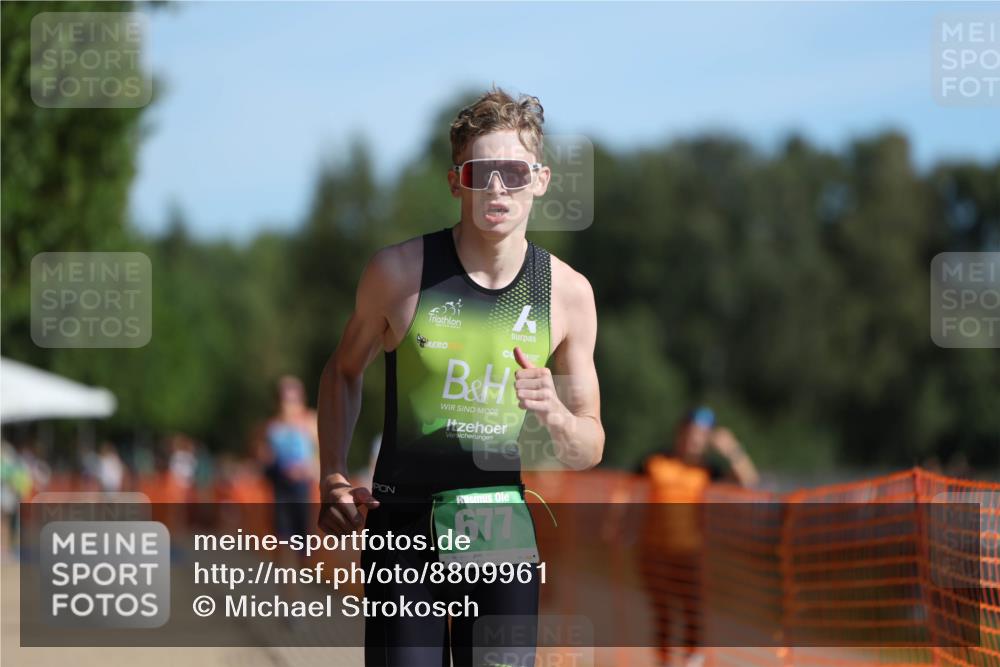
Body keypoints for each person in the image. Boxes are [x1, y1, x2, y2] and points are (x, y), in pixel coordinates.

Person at [316, 86, 604, 667]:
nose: (497, 187)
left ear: (540, 180)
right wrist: (333, 478)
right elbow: (343, 373)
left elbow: (590, 445)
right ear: (457, 184)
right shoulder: (398, 274)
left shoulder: (568, 294)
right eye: (480, 172)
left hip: (499, 530)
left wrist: (554, 414)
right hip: (403, 533)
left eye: (514, 172)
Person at [638, 407, 758, 667]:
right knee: (664, 614)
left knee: (692, 612)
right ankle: (664, 662)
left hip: (689, 553)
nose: (694, 440)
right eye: (691, 433)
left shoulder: (708, 471)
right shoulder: (655, 461)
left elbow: (749, 482)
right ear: (680, 433)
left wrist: (732, 449)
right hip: (655, 552)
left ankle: (692, 662)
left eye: (702, 436)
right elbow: (622, 492)